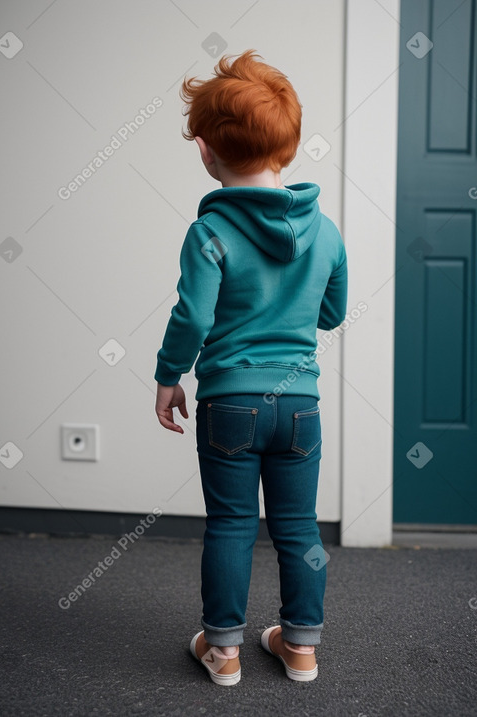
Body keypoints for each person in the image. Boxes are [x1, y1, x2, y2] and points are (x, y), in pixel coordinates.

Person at [154, 49, 348, 686]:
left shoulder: (209, 232)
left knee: (232, 525)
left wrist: (168, 375)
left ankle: (226, 651)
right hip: (300, 406)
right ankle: (300, 647)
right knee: (298, 526)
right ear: (287, 148)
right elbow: (332, 313)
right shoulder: (326, 232)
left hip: (230, 402)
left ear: (205, 152)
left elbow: (193, 317)